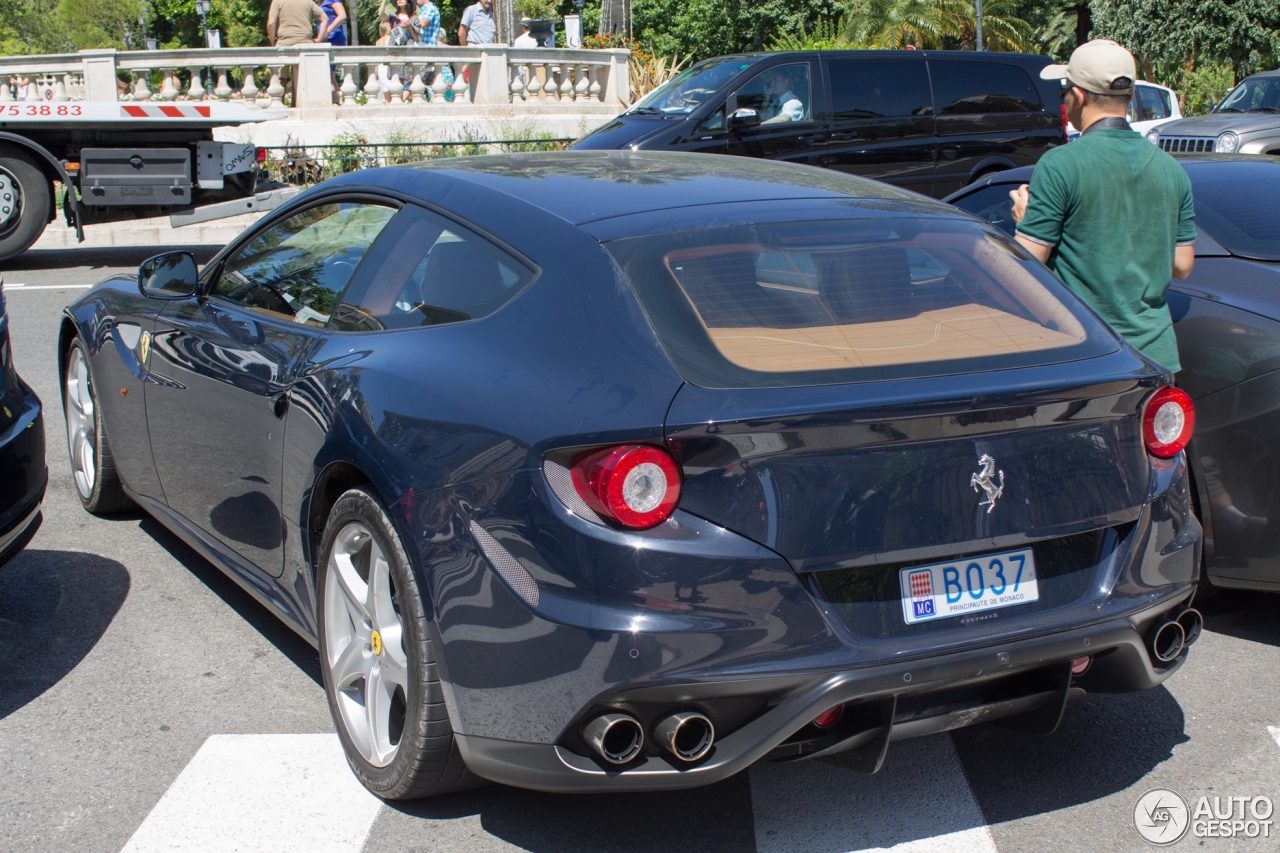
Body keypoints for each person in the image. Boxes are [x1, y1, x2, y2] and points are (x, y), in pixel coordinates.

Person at [1009, 39, 1195, 373]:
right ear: (1131, 97)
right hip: (1156, 355)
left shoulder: (1060, 164)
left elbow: (1024, 268)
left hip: (1087, 354)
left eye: (1063, 92)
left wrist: (1025, 220)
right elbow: (1182, 265)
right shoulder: (1171, 168)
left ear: (1077, 96)